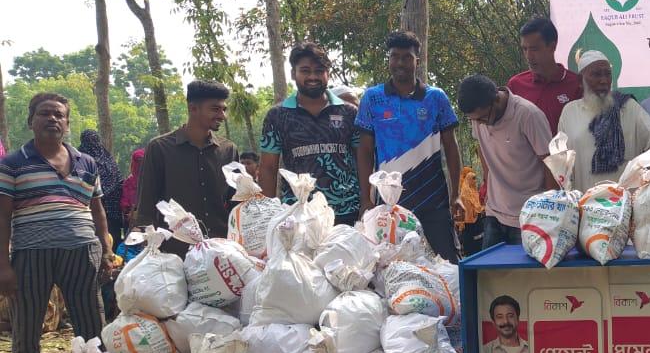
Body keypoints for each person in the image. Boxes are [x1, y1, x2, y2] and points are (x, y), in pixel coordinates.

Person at [0, 94, 112, 353]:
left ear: (68, 122)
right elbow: (2, 216)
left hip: (82, 253)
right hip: (30, 255)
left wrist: (105, 249)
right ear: (30, 120)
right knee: (27, 326)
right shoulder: (13, 164)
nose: (53, 119)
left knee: (91, 323)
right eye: (45, 114)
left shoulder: (87, 163)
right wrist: (3, 265)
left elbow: (98, 210)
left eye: (59, 115)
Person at [356, 30, 463, 262]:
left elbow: (451, 148)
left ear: (418, 60)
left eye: (407, 57)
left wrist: (456, 194)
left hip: (434, 202)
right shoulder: (372, 98)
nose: (400, 63)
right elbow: (364, 151)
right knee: (391, 267)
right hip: (389, 206)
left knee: (446, 265)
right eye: (395, 56)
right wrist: (366, 198)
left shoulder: (436, 98)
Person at [258, 43, 361, 226]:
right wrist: (267, 214)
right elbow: (268, 167)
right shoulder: (277, 115)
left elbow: (363, 160)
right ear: (293, 74)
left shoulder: (349, 113)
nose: (313, 77)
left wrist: (366, 202)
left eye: (319, 70)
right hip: (297, 214)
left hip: (346, 212)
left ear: (328, 73)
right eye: (305, 71)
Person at [134, 80, 238, 253]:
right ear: (193, 108)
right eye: (215, 109)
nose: (222, 115)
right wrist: (150, 248)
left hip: (220, 251)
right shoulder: (160, 148)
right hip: (174, 251)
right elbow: (146, 203)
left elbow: (236, 203)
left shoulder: (228, 150)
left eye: (224, 109)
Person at [457, 74, 555, 248]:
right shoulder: (479, 117)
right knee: (489, 274)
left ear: (496, 100)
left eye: (482, 118)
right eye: (474, 120)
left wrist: (551, 209)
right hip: (494, 212)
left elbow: (550, 162)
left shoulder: (528, 115)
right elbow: (481, 146)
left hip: (529, 216)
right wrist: (488, 183)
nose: (479, 124)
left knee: (523, 275)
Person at [557, 52, 650, 191]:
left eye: (607, 74)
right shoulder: (569, 112)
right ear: (581, 80)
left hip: (624, 204)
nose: (604, 80)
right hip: (584, 203)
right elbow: (561, 162)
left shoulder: (628, 107)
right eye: (596, 74)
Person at [508, 16, 583, 133]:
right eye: (524, 49)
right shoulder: (516, 85)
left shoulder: (576, 84)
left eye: (534, 49)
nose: (528, 56)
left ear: (552, 47)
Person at [77, 128, 123, 246]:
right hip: (93, 209)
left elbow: (118, 180)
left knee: (111, 239)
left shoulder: (80, 160)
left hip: (107, 209)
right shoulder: (82, 159)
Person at [120, 147, 145, 231]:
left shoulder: (129, 181)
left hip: (133, 221)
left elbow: (125, 203)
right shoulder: (154, 180)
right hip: (148, 221)